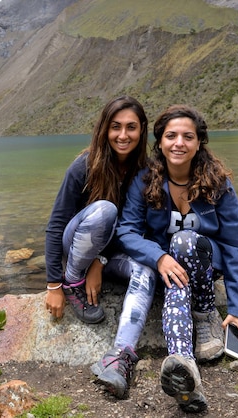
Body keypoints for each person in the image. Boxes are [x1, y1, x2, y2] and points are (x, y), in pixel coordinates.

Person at [116, 104, 238, 413]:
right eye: (171, 135)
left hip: (204, 264)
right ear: (160, 141)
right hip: (168, 269)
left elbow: (234, 247)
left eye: (187, 136)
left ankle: (204, 314)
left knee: (186, 241)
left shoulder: (218, 183)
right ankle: (184, 364)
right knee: (176, 266)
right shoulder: (145, 180)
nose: (179, 143)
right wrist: (159, 257)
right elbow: (127, 231)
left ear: (199, 142)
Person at [44, 95, 157, 398]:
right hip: (76, 248)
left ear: (141, 130)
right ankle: (72, 282)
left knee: (146, 269)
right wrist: (54, 283)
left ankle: (120, 356)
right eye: (115, 127)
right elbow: (56, 225)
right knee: (105, 210)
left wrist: (102, 260)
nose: (123, 135)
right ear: (104, 130)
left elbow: (136, 229)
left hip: (107, 254)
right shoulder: (84, 166)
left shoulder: (146, 171)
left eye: (131, 127)